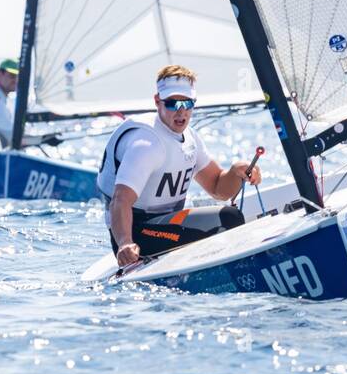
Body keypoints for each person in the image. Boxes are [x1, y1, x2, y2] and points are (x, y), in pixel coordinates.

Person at [97, 64, 260, 269]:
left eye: (188, 103)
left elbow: (218, 189)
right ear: (158, 101)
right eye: (173, 103)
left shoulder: (190, 138)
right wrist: (125, 243)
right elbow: (120, 201)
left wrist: (237, 171)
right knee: (228, 218)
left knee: (228, 214)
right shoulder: (147, 145)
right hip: (136, 233)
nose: (181, 111)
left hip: (164, 224)